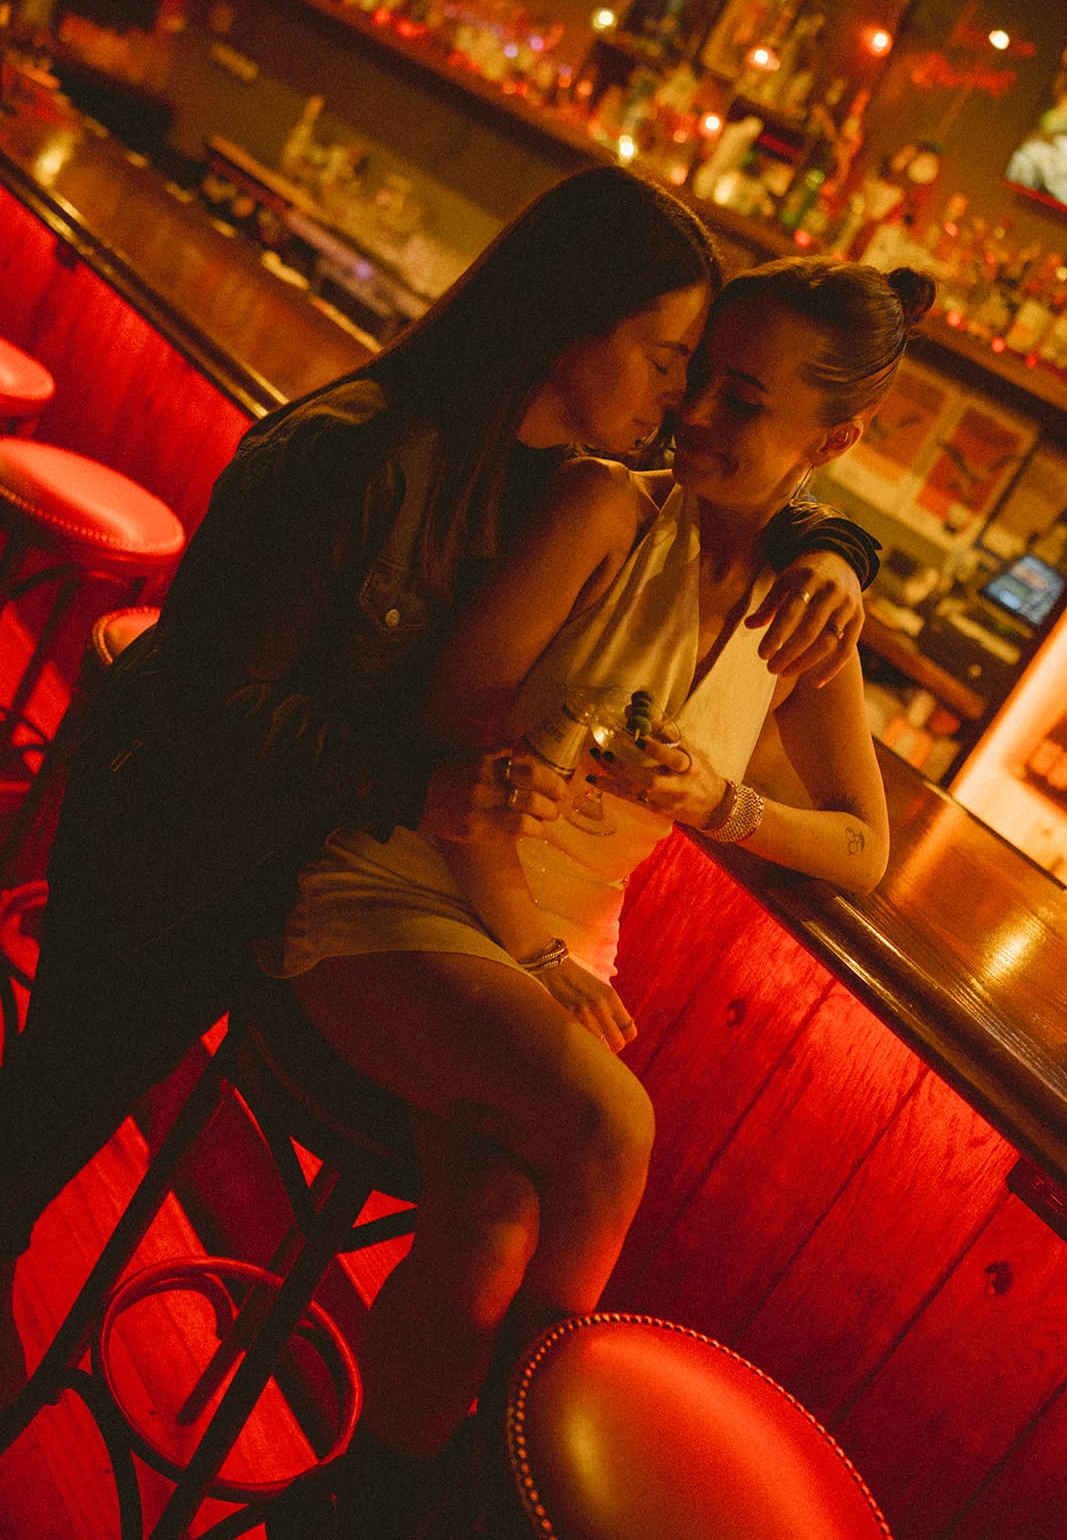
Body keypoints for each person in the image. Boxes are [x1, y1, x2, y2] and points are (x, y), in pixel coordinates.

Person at [0, 167, 877, 1499]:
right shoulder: (359, 454)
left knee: (487, 1222)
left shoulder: (541, 472)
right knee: (56, 1105)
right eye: (667, 360)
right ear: (566, 326)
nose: (679, 400)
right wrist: (413, 785)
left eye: (703, 374)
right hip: (185, 847)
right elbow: (201, 706)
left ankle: (395, 1495)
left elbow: (738, 495)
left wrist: (827, 545)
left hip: (332, 861)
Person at [256, 255, 932, 1536]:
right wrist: (533, 917)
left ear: (832, 441)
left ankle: (366, 1502)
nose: (694, 414)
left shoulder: (801, 612)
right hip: (413, 882)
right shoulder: (604, 506)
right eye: (697, 377)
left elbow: (861, 846)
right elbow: (455, 720)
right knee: (614, 1127)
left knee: (489, 1230)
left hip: (560, 946)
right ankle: (494, 1502)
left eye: (743, 400)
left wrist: (718, 802)